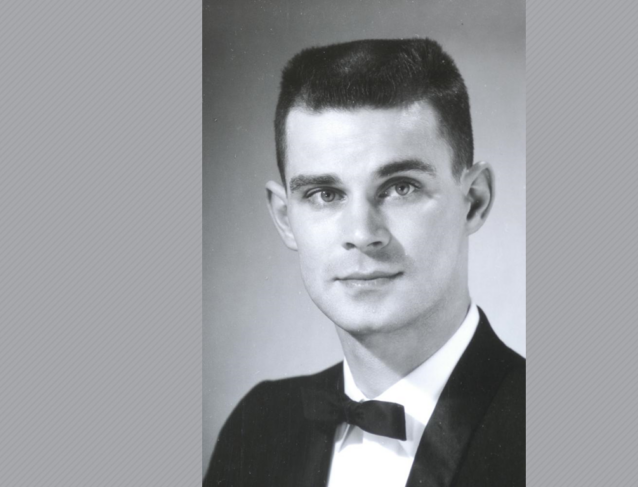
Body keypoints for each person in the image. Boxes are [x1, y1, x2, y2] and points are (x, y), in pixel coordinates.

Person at [204, 38, 525, 487]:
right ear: (285, 219)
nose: (361, 233)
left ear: (473, 201)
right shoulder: (256, 426)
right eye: (324, 194)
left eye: (400, 187)